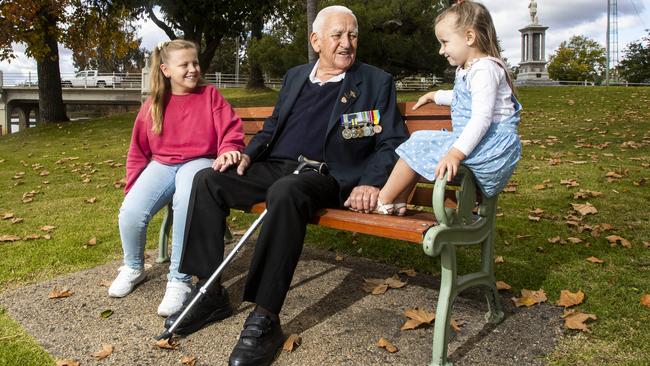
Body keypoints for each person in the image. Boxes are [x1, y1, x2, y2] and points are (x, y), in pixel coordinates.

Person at [164, 5, 407, 366]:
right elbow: (271, 128)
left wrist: (371, 183)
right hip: (276, 165)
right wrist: (246, 155)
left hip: (324, 175)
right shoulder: (296, 77)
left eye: (352, 35)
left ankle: (265, 317)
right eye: (337, 35)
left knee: (285, 192)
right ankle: (210, 291)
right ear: (316, 40)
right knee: (208, 180)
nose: (346, 43)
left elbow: (389, 141)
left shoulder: (374, 81)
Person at [108, 39, 245, 318]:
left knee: (186, 202)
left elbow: (230, 130)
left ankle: (179, 279)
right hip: (162, 164)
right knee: (131, 212)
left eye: (195, 63)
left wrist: (229, 149)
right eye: (184, 65)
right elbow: (138, 150)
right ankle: (133, 267)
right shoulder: (154, 104)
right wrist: (134, 186)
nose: (193, 69)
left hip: (199, 162)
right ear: (166, 70)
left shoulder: (210, 96)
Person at [373, 0, 521, 215]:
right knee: (421, 143)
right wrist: (436, 95)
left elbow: (481, 118)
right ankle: (398, 201)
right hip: (484, 144)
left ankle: (384, 198)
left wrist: (455, 154)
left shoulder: (485, 69)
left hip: (491, 147)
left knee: (419, 141)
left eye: (444, 42)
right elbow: (464, 98)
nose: (441, 51)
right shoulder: (471, 69)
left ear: (469, 37)